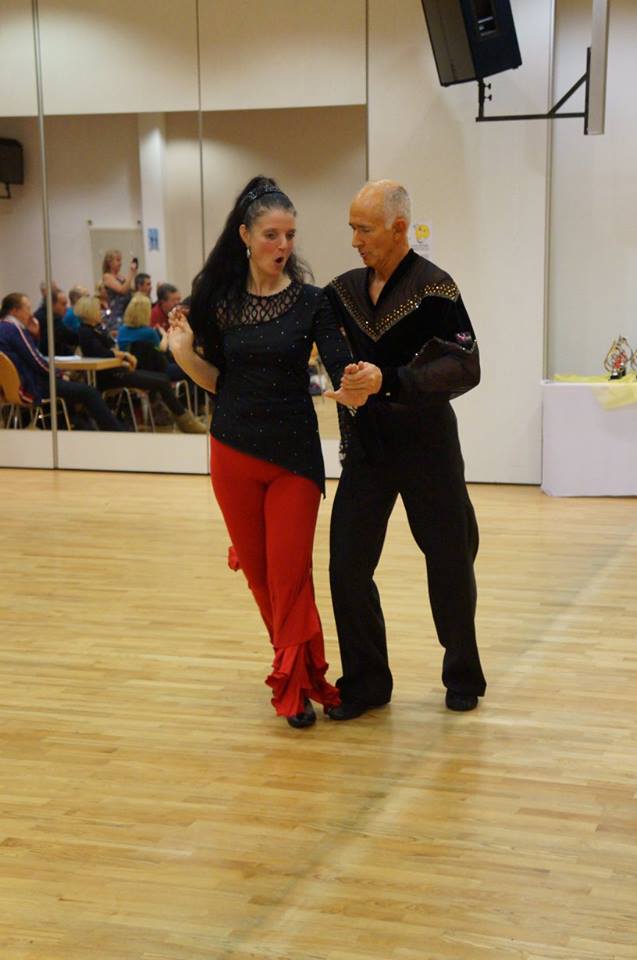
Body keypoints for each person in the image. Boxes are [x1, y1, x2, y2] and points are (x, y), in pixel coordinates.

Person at [167, 176, 370, 729]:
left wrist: (351, 381)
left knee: (290, 574)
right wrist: (183, 354)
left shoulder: (312, 301)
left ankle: (298, 685)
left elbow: (338, 362)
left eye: (290, 235)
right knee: (261, 578)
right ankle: (295, 677)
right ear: (246, 236)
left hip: (293, 459)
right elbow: (219, 382)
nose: (283, 246)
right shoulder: (217, 303)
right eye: (271, 235)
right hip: (232, 452)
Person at [323, 179, 487, 720]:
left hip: (427, 446)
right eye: (352, 228)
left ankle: (462, 674)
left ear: (398, 229)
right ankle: (367, 682)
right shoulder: (343, 290)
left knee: (450, 559)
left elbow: (465, 365)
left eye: (364, 229)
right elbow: (323, 344)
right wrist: (345, 379)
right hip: (369, 447)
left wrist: (390, 381)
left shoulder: (435, 288)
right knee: (347, 564)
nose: (355, 240)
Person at [74, 295, 206, 434]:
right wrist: (124, 355)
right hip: (111, 374)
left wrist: (120, 355)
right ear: (89, 312)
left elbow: (110, 349)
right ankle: (186, 421)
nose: (100, 312)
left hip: (121, 369)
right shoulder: (86, 332)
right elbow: (102, 352)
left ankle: (184, 418)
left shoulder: (108, 329)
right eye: (97, 309)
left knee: (163, 379)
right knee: (167, 379)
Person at [0, 292, 125, 431]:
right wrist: (59, 374)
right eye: (27, 309)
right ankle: (116, 432)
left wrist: (35, 335)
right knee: (89, 392)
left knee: (74, 392)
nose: (30, 314)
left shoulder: (3, 328)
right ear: (14, 311)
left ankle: (81, 428)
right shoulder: (14, 329)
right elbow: (36, 360)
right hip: (30, 386)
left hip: (9, 389)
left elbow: (30, 356)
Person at [101, 249, 138, 335]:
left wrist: (134, 274)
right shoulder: (107, 276)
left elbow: (131, 289)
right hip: (116, 314)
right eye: (117, 260)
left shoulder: (121, 277)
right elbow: (122, 290)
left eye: (120, 260)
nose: (120, 263)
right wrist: (131, 272)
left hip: (127, 313)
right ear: (109, 262)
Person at [38, 289, 79, 356]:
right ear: (52, 304)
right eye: (63, 304)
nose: (66, 308)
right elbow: (71, 338)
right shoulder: (52, 320)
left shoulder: (40, 313)